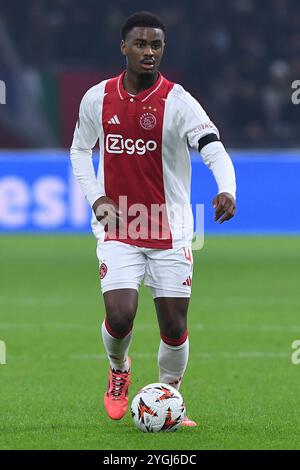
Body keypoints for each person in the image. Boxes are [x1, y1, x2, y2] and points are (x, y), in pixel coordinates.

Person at [70, 11, 236, 427]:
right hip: (120, 227)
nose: (149, 52)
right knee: (121, 315)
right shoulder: (97, 98)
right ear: (123, 47)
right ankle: (119, 368)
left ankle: (169, 399)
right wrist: (97, 197)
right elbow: (79, 151)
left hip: (171, 229)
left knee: (174, 326)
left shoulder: (179, 102)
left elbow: (213, 148)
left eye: (156, 45)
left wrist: (227, 188)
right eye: (141, 44)